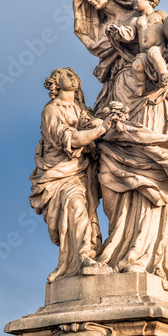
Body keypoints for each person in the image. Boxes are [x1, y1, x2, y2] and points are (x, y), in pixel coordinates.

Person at [73, 0, 168, 296]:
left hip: (154, 104)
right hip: (123, 100)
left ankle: (139, 255)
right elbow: (116, 58)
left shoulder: (157, 19)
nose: (91, 0)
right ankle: (116, 249)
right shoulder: (126, 25)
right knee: (112, 175)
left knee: (149, 176)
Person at [29, 67, 113, 282]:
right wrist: (101, 130)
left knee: (88, 214)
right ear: (56, 82)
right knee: (75, 208)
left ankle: (90, 253)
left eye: (75, 74)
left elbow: (89, 123)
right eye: (68, 75)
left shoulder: (81, 109)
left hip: (82, 172)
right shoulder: (51, 110)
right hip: (59, 175)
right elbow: (70, 140)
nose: (74, 77)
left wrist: (106, 121)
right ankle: (82, 257)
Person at [106, 0, 168, 96]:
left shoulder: (159, 14)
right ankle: (141, 87)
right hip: (144, 54)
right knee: (137, 65)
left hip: (160, 49)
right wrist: (118, 31)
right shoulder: (136, 20)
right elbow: (129, 35)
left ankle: (164, 74)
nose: (132, 1)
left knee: (154, 53)